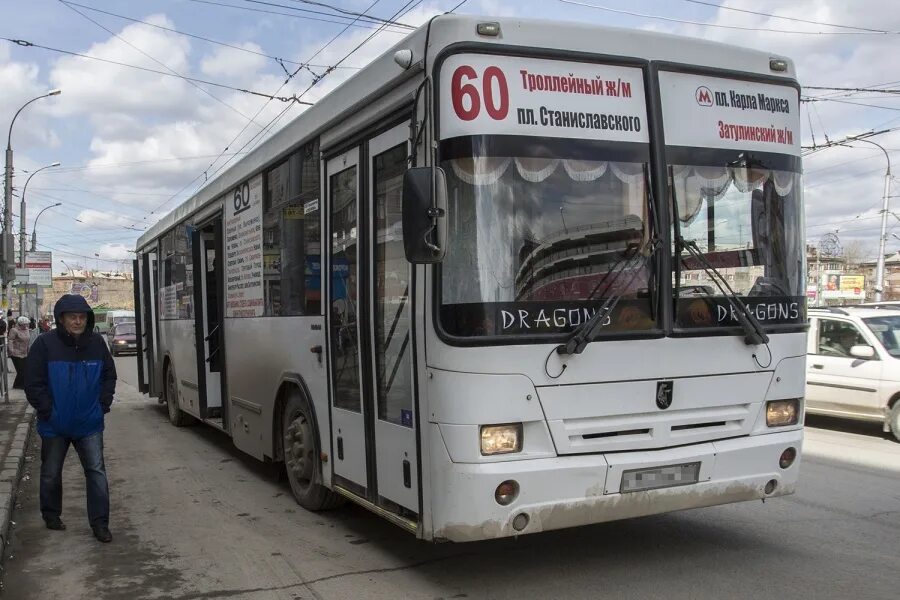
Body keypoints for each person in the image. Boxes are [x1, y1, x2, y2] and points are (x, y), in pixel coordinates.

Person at [25, 294, 117, 543]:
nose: (78, 321)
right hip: (55, 424)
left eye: (82, 317)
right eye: (72, 317)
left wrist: (102, 404)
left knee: (96, 472)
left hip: (89, 423)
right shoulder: (45, 344)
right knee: (51, 472)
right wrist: (48, 411)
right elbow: (32, 382)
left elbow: (109, 376)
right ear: (61, 319)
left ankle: (100, 524)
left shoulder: (97, 343)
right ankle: (51, 514)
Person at [8, 316, 30, 389]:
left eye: (27, 324)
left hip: (24, 353)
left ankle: (18, 384)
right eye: (25, 324)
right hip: (16, 353)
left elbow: (27, 341)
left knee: (25, 370)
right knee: (21, 371)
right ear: (21, 324)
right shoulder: (14, 330)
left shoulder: (27, 330)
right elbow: (10, 340)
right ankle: (18, 385)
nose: (27, 325)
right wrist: (11, 350)